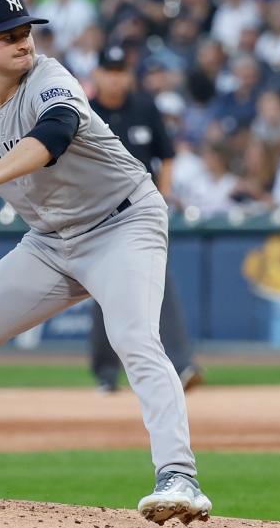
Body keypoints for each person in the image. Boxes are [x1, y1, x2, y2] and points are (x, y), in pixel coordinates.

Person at [0, 0, 211, 526]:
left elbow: (52, 138)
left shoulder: (51, 80)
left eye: (25, 31)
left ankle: (179, 476)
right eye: (7, 36)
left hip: (123, 222)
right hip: (50, 242)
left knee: (133, 337)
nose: (22, 42)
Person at [86, 45, 202, 392]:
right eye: (109, 70)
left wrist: (163, 197)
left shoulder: (144, 107)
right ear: (98, 75)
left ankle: (182, 365)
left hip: (141, 212)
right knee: (103, 293)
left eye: (121, 71)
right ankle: (106, 374)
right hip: (99, 213)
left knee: (159, 285)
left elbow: (166, 156)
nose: (116, 77)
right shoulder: (83, 111)